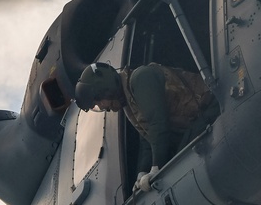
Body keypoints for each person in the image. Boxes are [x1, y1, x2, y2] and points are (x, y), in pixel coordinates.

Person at [74, 60, 219, 171]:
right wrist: (143, 172)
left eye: (98, 101)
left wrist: (157, 167)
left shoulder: (140, 78)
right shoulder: (129, 104)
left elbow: (158, 125)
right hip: (198, 123)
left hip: (211, 109)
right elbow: (147, 140)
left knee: (182, 160)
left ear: (106, 89)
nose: (102, 106)